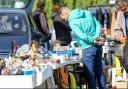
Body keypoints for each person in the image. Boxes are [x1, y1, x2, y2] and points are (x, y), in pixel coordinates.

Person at [60, 7, 106, 89]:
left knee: (91, 76)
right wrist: (96, 37)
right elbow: (98, 24)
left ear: (65, 14)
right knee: (100, 73)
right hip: (98, 46)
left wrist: (93, 40)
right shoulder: (87, 12)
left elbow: (82, 35)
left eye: (63, 18)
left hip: (88, 48)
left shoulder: (72, 22)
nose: (64, 20)